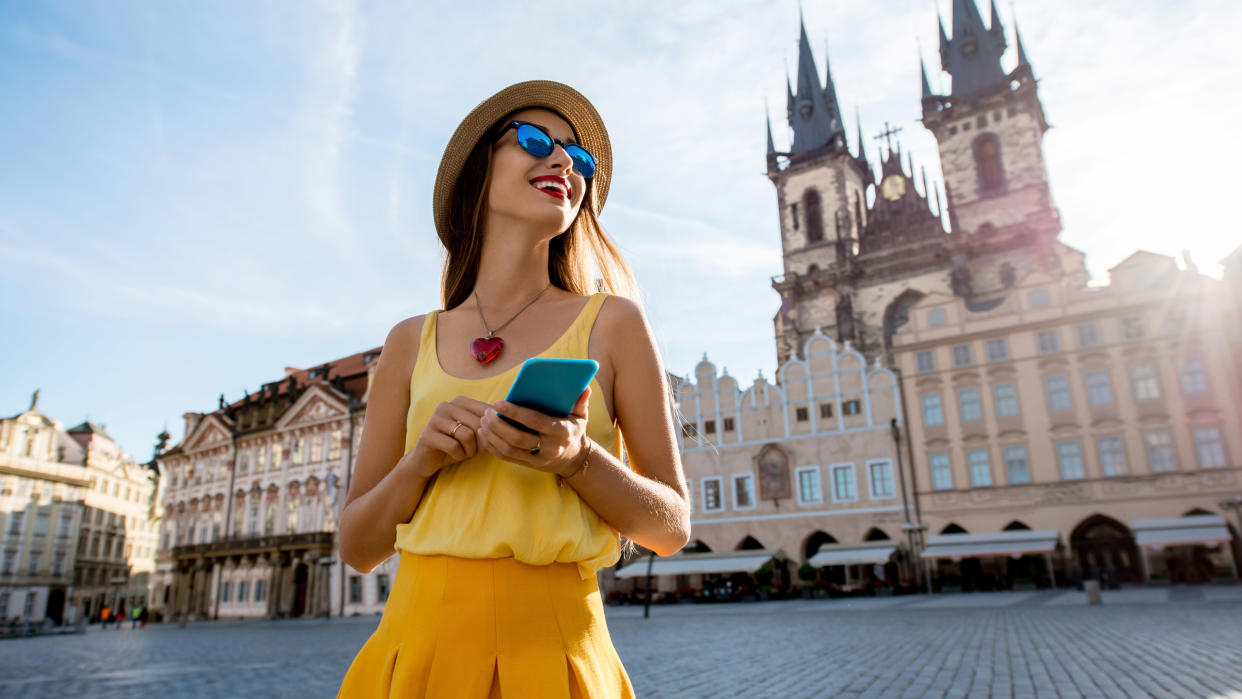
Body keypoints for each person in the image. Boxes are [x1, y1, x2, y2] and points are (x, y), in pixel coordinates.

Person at [336, 81, 690, 698]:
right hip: (412, 651)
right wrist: (419, 464)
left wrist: (576, 459)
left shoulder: (614, 322)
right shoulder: (406, 341)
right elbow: (359, 547)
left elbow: (670, 526)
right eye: (534, 141)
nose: (563, 163)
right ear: (480, 167)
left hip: (558, 653)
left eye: (580, 160)